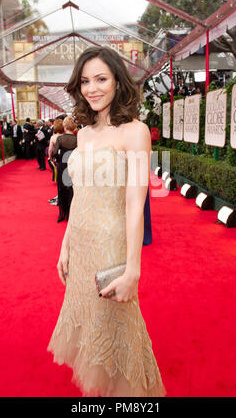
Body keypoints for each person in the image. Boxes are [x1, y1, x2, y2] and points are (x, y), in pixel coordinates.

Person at [47, 46, 165, 397]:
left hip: (111, 245)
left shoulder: (135, 132)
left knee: (120, 327)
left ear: (118, 81)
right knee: (93, 326)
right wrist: (65, 245)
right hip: (81, 245)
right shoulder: (82, 133)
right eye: (85, 81)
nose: (92, 88)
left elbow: (135, 205)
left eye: (101, 79)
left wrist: (133, 270)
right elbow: (80, 195)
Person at [52, 116, 77, 222]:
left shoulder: (60, 139)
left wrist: (57, 159)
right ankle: (72, 214)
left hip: (62, 165)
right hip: (73, 166)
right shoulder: (77, 139)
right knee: (72, 189)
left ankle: (62, 214)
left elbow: (54, 153)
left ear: (65, 126)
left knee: (62, 189)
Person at [48, 118, 64, 183]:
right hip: (66, 155)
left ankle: (59, 180)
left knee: (58, 169)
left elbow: (50, 149)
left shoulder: (53, 137)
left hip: (57, 155)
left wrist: (50, 157)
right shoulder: (66, 135)